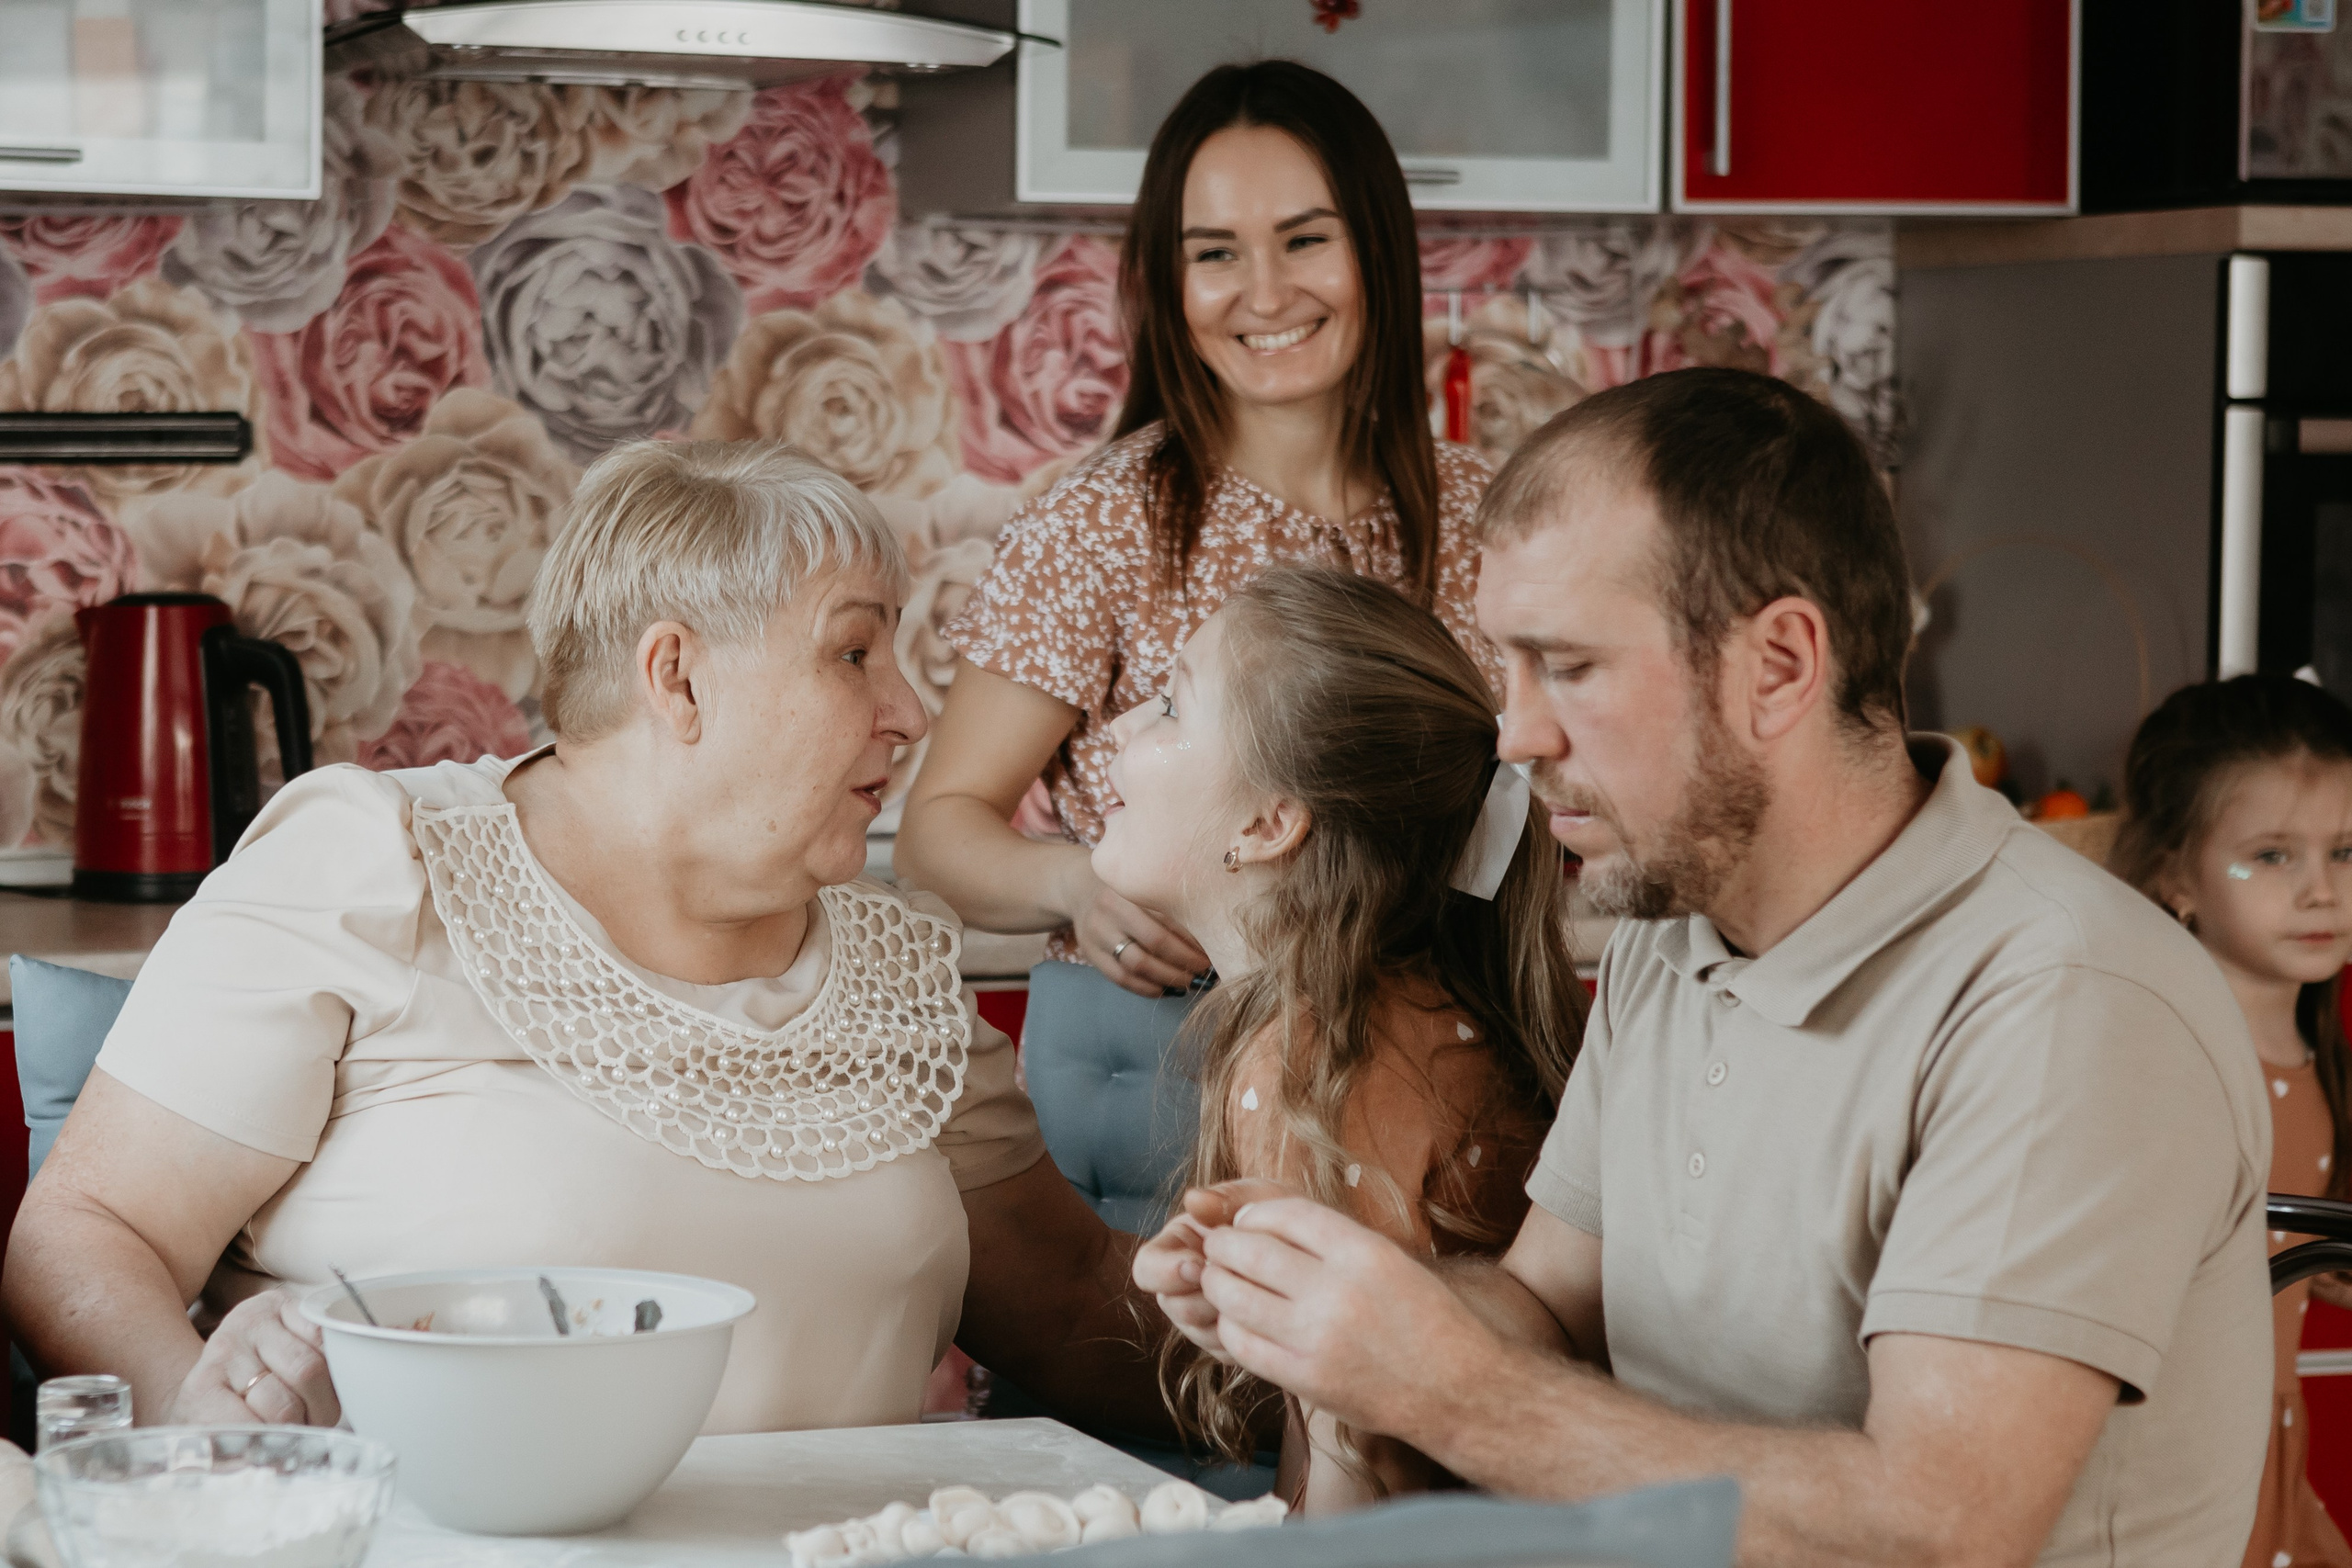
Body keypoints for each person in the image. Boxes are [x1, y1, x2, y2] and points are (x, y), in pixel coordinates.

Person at [1136, 367, 2276, 1565]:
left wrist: (1447, 1380)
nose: (1515, 733)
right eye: (1510, 669)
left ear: (1779, 664)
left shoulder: (2065, 1001)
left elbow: (1938, 1528)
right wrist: (1333, 1306)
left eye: (1566, 666)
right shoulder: (1672, 938)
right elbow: (1544, 1307)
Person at [1, 440, 1158, 1439]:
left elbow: (1065, 1307)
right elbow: (86, 1230)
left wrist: (1318, 1353)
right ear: (677, 676)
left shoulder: (896, 969)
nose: (907, 710)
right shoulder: (373, 863)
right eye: (854, 653)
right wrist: (217, 1456)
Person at [894, 60, 1499, 1227]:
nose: (1261, 291)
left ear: (1377, 248)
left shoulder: (1484, 520)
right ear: (1167, 283)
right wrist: (1073, 882)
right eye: (1214, 251)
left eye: (1305, 239)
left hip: (1433, 1065)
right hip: (1157, 1056)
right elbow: (938, 830)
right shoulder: (1108, 517)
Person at [1089, 565, 1583, 1512]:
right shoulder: (1364, 1014)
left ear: (1267, 824)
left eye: (1165, 706)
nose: (1116, 730)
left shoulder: (1311, 1057)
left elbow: (1359, 1451)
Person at [2110, 674, 2352, 1568]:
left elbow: (2273, 1244)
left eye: (2347, 852)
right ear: (2175, 875)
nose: (2322, 891)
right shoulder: (2161, 1067)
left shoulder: (2313, 1060)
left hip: (2269, 1456)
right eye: (2274, 856)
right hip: (2179, 1481)